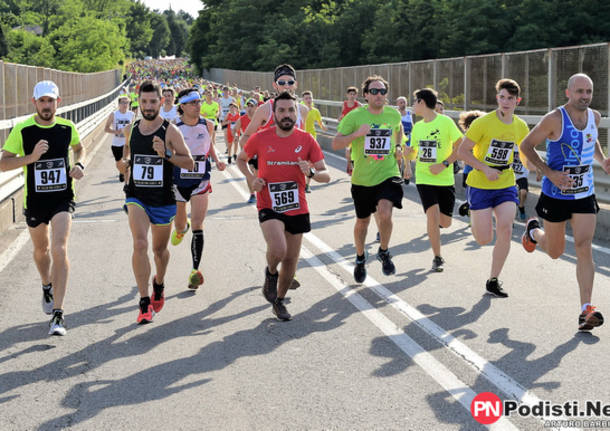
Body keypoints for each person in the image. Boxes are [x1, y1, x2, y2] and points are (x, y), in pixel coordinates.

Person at [519, 73, 610, 332]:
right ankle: (534, 233)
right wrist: (549, 172)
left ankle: (586, 309)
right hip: (556, 194)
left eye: (589, 91)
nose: (585, 96)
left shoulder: (595, 117)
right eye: (580, 91)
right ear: (568, 92)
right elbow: (526, 145)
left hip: (584, 193)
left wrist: (602, 160)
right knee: (555, 252)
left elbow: (591, 142)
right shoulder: (554, 119)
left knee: (584, 246)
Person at [0, 80, 85, 336]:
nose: (47, 106)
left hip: (62, 198)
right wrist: (32, 158)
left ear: (58, 102)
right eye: (42, 101)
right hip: (35, 201)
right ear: (34, 103)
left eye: (51, 101)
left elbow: (78, 148)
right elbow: (3, 163)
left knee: (59, 248)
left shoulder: (67, 127)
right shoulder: (23, 130)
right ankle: (46, 285)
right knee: (41, 250)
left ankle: (58, 314)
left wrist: (80, 164)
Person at [237, 92, 330, 320]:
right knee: (279, 249)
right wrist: (251, 179)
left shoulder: (307, 139)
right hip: (268, 203)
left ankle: (278, 300)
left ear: (296, 113)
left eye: (290, 110)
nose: (286, 115)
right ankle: (270, 273)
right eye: (281, 110)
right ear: (274, 114)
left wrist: (311, 173)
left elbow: (325, 174)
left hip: (297, 206)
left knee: (290, 261)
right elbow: (241, 158)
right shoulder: (261, 137)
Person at [116, 80, 194, 324]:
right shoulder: (131, 128)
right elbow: (126, 156)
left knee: (159, 251)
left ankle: (158, 283)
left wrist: (167, 155)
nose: (148, 106)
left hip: (162, 199)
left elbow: (189, 162)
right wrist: (123, 166)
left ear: (161, 102)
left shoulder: (171, 131)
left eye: (153, 101)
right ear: (138, 102)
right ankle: (143, 302)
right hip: (136, 196)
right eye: (144, 102)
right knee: (140, 244)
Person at [457, 79, 530, 298]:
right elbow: (463, 152)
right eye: (502, 97)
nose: (506, 102)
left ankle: (493, 279)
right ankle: (473, 211)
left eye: (510, 98)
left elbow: (525, 152)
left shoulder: (520, 125)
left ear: (517, 100)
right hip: (480, 183)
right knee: (483, 239)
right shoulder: (483, 123)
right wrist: (485, 169)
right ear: (497, 98)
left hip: (506, 182)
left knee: (506, 228)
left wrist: (534, 166)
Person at [332, 75, 403, 283]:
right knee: (362, 222)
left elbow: (398, 131)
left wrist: (398, 146)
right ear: (366, 95)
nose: (379, 95)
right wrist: (356, 134)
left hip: (388, 172)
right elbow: (336, 143)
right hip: (362, 179)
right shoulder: (354, 117)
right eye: (374, 91)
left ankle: (383, 250)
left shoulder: (393, 114)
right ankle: (361, 257)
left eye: (382, 91)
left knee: (385, 213)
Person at [170, 89, 226, 290]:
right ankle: (180, 227)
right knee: (179, 226)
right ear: (183, 106)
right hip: (178, 180)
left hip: (201, 179)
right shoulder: (173, 126)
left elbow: (209, 144)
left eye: (199, 101)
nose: (197, 105)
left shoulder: (208, 124)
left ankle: (195, 271)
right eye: (192, 102)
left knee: (198, 223)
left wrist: (218, 160)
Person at [404, 88, 463, 272]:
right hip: (424, 177)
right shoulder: (418, 126)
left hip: (444, 179)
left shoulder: (445, 122)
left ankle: (435, 227)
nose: (413, 106)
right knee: (432, 214)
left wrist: (444, 164)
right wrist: (408, 158)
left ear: (422, 102)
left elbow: (461, 146)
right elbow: (414, 153)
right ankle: (437, 257)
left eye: (414, 102)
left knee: (445, 223)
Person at [456, 110, 486, 219]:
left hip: (483, 173)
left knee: (480, 196)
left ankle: (469, 206)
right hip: (469, 172)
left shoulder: (485, 137)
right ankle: (471, 212)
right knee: (473, 197)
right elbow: (461, 154)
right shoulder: (467, 138)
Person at [302, 90, 328, 193]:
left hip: (312, 139)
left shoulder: (315, 111)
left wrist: (324, 127)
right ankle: (300, 182)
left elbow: (321, 124)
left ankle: (307, 185)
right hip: (300, 139)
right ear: (303, 100)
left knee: (311, 163)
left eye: (310, 98)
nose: (308, 100)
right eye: (306, 98)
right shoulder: (299, 110)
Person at [104, 94, 135, 182]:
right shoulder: (114, 114)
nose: (125, 105)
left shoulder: (132, 114)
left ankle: (127, 185)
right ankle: (121, 171)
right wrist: (115, 132)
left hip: (127, 144)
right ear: (119, 104)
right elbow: (106, 129)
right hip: (116, 143)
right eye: (123, 103)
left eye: (127, 103)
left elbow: (133, 128)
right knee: (119, 163)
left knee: (126, 163)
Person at [234, 98, 259, 203]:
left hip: (260, 148)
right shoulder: (242, 119)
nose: (249, 108)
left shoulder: (260, 119)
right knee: (250, 170)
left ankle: (259, 190)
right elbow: (235, 130)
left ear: (256, 107)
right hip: (248, 148)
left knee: (257, 172)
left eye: (252, 106)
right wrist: (236, 136)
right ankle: (252, 194)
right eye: (248, 106)